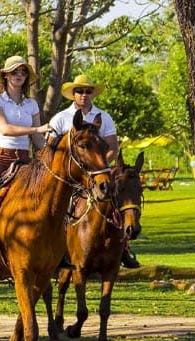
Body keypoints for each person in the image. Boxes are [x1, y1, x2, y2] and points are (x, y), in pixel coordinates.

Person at [48, 74, 141, 269]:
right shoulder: (61, 118)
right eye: (79, 91)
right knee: (59, 210)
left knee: (117, 204)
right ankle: (57, 250)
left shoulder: (103, 117)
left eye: (87, 91)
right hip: (70, 179)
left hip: (97, 176)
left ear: (92, 94)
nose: (83, 94)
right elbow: (50, 149)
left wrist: (98, 168)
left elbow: (113, 147)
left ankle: (123, 248)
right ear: (73, 94)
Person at [0, 56, 50, 268]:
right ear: (5, 76)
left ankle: (51, 247)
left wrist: (53, 146)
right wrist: (36, 129)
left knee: (50, 195)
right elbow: (4, 128)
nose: (19, 76)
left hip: (24, 159)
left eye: (23, 72)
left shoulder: (31, 104)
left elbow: (39, 140)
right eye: (14, 72)